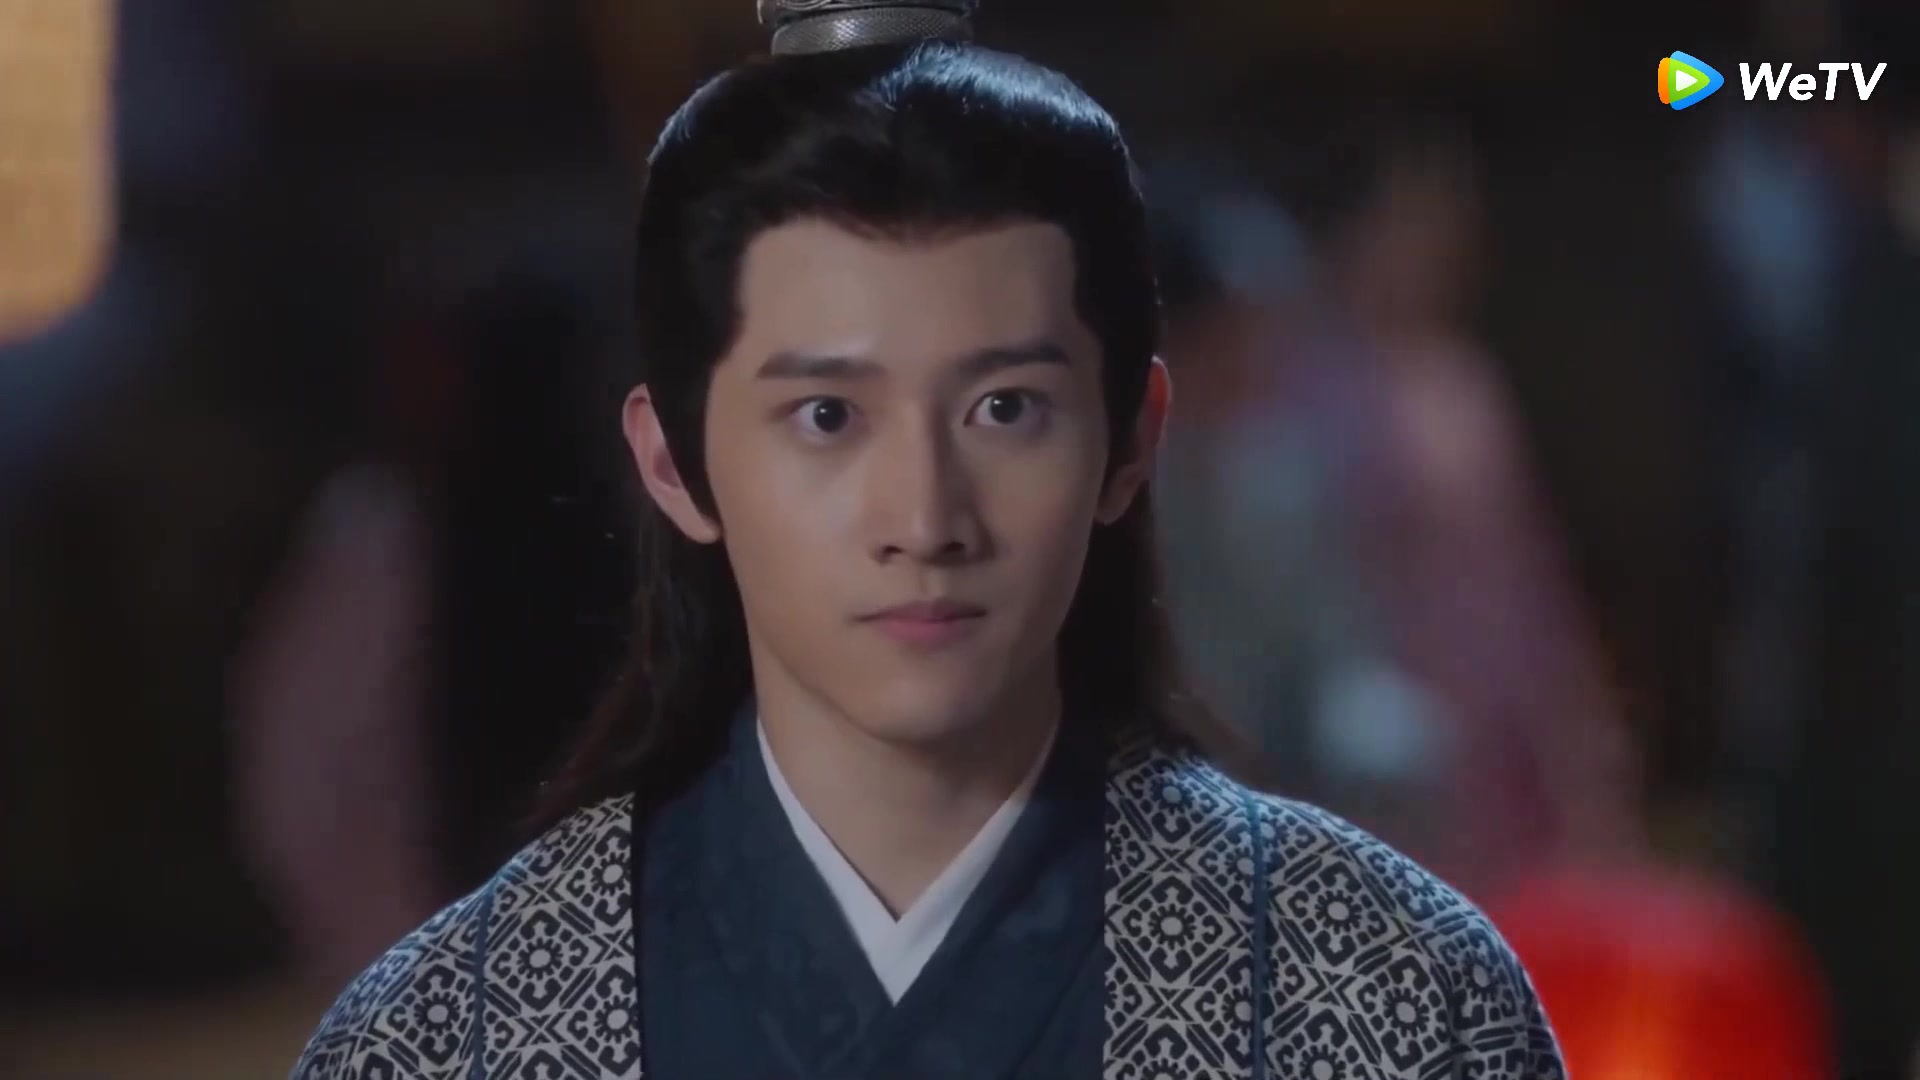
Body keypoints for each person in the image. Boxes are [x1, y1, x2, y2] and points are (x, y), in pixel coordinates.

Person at [292, 3, 1565, 1076]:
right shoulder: (447, 1039)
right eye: (828, 416)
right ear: (674, 462)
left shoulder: (1395, 991)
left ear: (1132, 440)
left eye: (1005, 409)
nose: (925, 518)